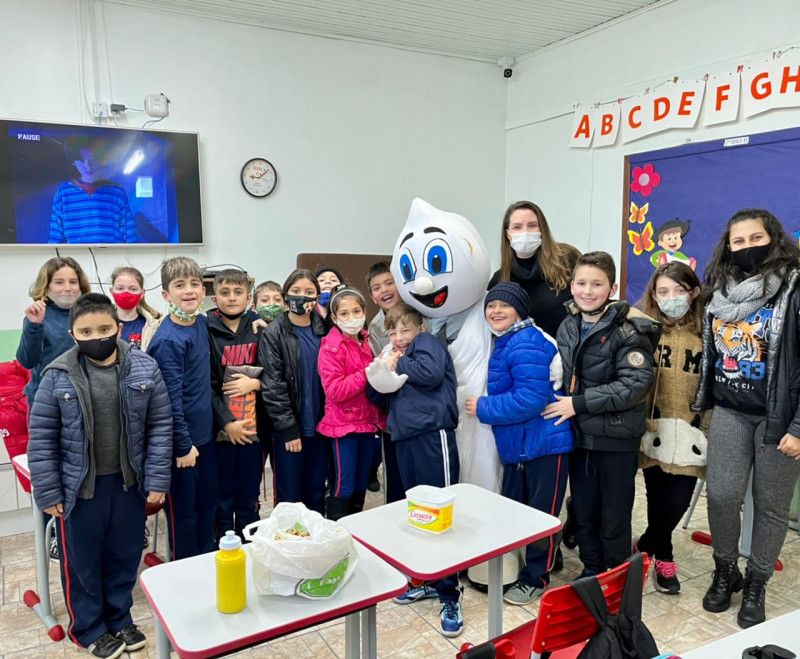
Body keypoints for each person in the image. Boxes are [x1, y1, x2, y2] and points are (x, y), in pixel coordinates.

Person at [28, 293, 171, 659]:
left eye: (104, 329)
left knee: (124, 555)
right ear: (74, 334)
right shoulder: (57, 375)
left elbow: (160, 425)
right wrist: (49, 492)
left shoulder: (144, 367)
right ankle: (89, 628)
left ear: (118, 328)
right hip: (80, 489)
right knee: (83, 562)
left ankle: (119, 618)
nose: (97, 336)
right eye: (86, 331)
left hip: (128, 484)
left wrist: (156, 479)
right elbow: (42, 439)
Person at [693, 209, 800, 628]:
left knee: (771, 506)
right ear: (728, 246)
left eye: (755, 238)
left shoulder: (794, 287)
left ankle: (756, 583)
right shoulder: (720, 291)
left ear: (773, 239)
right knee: (721, 495)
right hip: (731, 411)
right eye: (738, 241)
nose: (747, 247)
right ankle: (726, 570)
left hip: (779, 419)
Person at [545, 251, 660, 576]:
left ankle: (615, 575)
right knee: (584, 510)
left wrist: (576, 404)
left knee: (614, 516)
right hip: (579, 438)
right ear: (571, 285)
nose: (587, 290)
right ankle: (591, 569)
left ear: (612, 287)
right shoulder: (568, 324)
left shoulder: (629, 331)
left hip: (615, 440)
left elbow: (634, 385)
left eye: (596, 284)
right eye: (581, 283)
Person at [466, 283, 573, 605]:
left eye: (504, 305)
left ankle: (536, 578)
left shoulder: (526, 342)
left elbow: (530, 399)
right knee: (518, 512)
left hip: (544, 446)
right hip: (522, 446)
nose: (496, 311)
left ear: (520, 310)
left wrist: (482, 407)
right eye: (491, 306)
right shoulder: (507, 340)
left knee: (543, 515)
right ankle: (537, 566)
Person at [365, 302, 464, 637]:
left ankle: (451, 594)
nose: (398, 337)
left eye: (404, 329)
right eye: (392, 332)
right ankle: (427, 580)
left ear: (419, 327)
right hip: (404, 437)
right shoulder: (396, 354)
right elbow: (376, 394)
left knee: (442, 513)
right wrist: (380, 369)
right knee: (419, 513)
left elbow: (431, 373)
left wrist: (397, 360)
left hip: (433, 435)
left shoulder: (428, 344)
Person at [634, 263, 708, 594]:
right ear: (654, 294)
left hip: (692, 432)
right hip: (654, 429)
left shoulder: (706, 333)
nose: (671, 298)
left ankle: (647, 543)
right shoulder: (643, 329)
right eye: (663, 292)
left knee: (677, 500)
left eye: (679, 291)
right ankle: (664, 555)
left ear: (693, 293)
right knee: (657, 495)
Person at [146, 256, 217, 559]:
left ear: (203, 291)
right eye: (179, 285)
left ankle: (206, 562)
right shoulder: (167, 341)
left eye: (195, 284)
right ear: (165, 295)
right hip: (183, 446)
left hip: (206, 437)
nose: (189, 291)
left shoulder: (200, 323)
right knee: (184, 517)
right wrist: (182, 445)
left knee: (207, 507)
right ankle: (185, 570)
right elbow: (167, 402)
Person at [259, 269, 329, 515]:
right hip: (289, 431)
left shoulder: (326, 329)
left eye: (309, 292)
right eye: (296, 291)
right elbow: (273, 385)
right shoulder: (273, 333)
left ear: (317, 297)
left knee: (317, 490)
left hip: (321, 427)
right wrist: (288, 430)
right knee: (290, 496)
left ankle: (317, 545)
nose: (302, 297)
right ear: (286, 295)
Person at [317, 286, 384, 520]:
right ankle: (335, 530)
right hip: (342, 426)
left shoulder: (367, 341)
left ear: (365, 312)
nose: (352, 318)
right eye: (344, 314)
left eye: (356, 311)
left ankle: (354, 531)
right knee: (342, 486)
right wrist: (368, 373)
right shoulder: (330, 347)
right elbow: (334, 391)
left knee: (360, 483)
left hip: (367, 423)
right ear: (334, 318)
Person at [208, 270, 265, 538]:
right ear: (214, 297)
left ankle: (250, 548)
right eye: (225, 292)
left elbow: (278, 372)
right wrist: (227, 422)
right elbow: (204, 384)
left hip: (255, 430)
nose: (232, 298)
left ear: (248, 297)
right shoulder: (204, 328)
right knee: (222, 497)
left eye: (238, 292)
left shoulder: (260, 326)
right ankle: (224, 551)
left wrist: (258, 384)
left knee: (248, 497)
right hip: (220, 431)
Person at [488, 201, 581, 339]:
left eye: (532, 226)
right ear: (507, 234)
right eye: (517, 227)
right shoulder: (500, 279)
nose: (525, 232)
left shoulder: (567, 259)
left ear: (542, 230)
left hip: (568, 353)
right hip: (525, 357)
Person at [17, 256, 91, 407]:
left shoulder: (91, 314)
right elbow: (27, 361)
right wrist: (34, 325)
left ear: (81, 286)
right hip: (47, 400)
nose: (68, 288)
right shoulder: (37, 317)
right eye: (59, 282)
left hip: (84, 397)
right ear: (46, 287)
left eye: (73, 282)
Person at [365, 261, 404, 502]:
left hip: (422, 407)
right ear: (372, 296)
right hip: (392, 410)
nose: (384, 290)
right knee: (395, 476)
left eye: (390, 283)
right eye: (377, 287)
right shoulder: (375, 327)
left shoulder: (422, 314)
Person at [49, 141, 137, 244]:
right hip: (75, 257)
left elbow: (130, 231)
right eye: (82, 160)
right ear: (74, 162)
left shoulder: (117, 191)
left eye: (93, 160)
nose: (88, 167)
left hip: (113, 255)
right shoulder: (63, 192)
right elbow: (55, 235)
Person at [109, 266, 162, 350]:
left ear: (142, 293)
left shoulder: (153, 326)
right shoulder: (102, 322)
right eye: (120, 288)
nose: (126, 293)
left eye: (133, 289)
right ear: (112, 291)